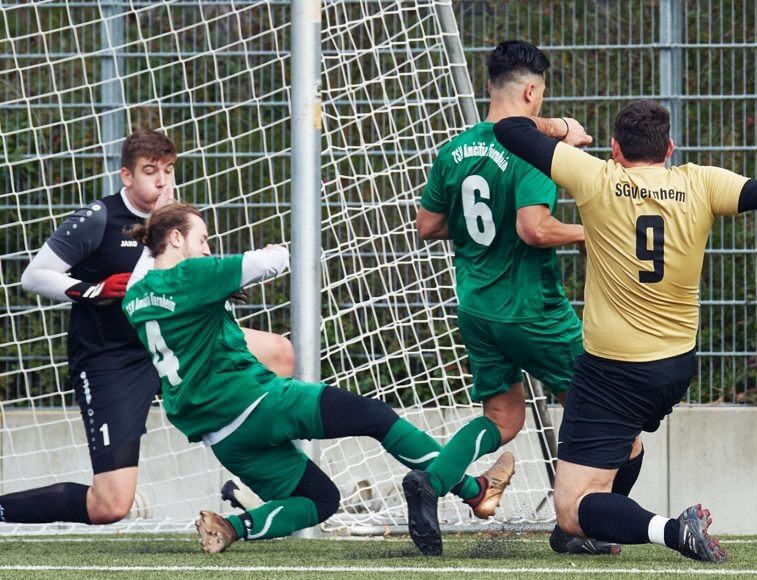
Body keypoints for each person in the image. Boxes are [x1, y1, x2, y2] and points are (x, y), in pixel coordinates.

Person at [493, 100, 757, 563]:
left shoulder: (595, 176)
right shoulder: (701, 183)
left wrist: (563, 127)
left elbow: (509, 128)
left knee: (571, 509)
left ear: (616, 149)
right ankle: (592, 530)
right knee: (627, 442)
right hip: (674, 368)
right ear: (669, 148)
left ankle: (670, 530)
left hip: (614, 370)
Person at [122, 203, 495, 553]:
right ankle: (469, 490)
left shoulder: (134, 297)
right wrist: (277, 251)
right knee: (377, 417)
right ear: (175, 238)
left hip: (222, 437)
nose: (207, 249)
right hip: (255, 403)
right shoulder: (190, 275)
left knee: (321, 500)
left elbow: (164, 288)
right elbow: (269, 262)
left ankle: (231, 527)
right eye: (202, 239)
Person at [1, 130, 289, 527]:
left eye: (168, 170)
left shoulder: (178, 220)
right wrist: (91, 290)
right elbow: (33, 276)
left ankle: (256, 484)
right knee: (110, 505)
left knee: (279, 353)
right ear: (127, 176)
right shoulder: (98, 219)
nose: (161, 181)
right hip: (113, 360)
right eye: (150, 171)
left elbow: (193, 279)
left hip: (177, 346)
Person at [407, 40, 618, 557]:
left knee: (504, 419)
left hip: (476, 307)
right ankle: (580, 526)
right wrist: (590, 232)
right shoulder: (532, 150)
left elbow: (427, 225)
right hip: (532, 310)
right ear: (530, 93)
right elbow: (534, 229)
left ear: (489, 86)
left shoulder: (454, 150)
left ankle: (431, 481)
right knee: (601, 410)